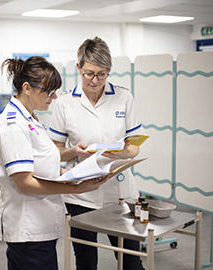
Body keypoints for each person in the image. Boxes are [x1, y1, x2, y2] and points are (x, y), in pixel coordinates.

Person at [0, 56, 108, 270]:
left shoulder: (30, 118)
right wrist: (75, 186)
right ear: (27, 88)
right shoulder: (13, 126)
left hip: (39, 223)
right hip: (28, 227)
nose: (53, 98)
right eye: (49, 92)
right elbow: (25, 182)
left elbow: (40, 157)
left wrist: (71, 153)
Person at [49, 37, 146, 270]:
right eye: (89, 73)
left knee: (131, 260)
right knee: (86, 261)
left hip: (120, 191)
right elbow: (55, 153)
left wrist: (122, 153)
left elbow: (135, 146)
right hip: (81, 193)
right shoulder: (64, 103)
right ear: (78, 67)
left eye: (102, 74)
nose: (95, 81)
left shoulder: (123, 97)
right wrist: (73, 151)